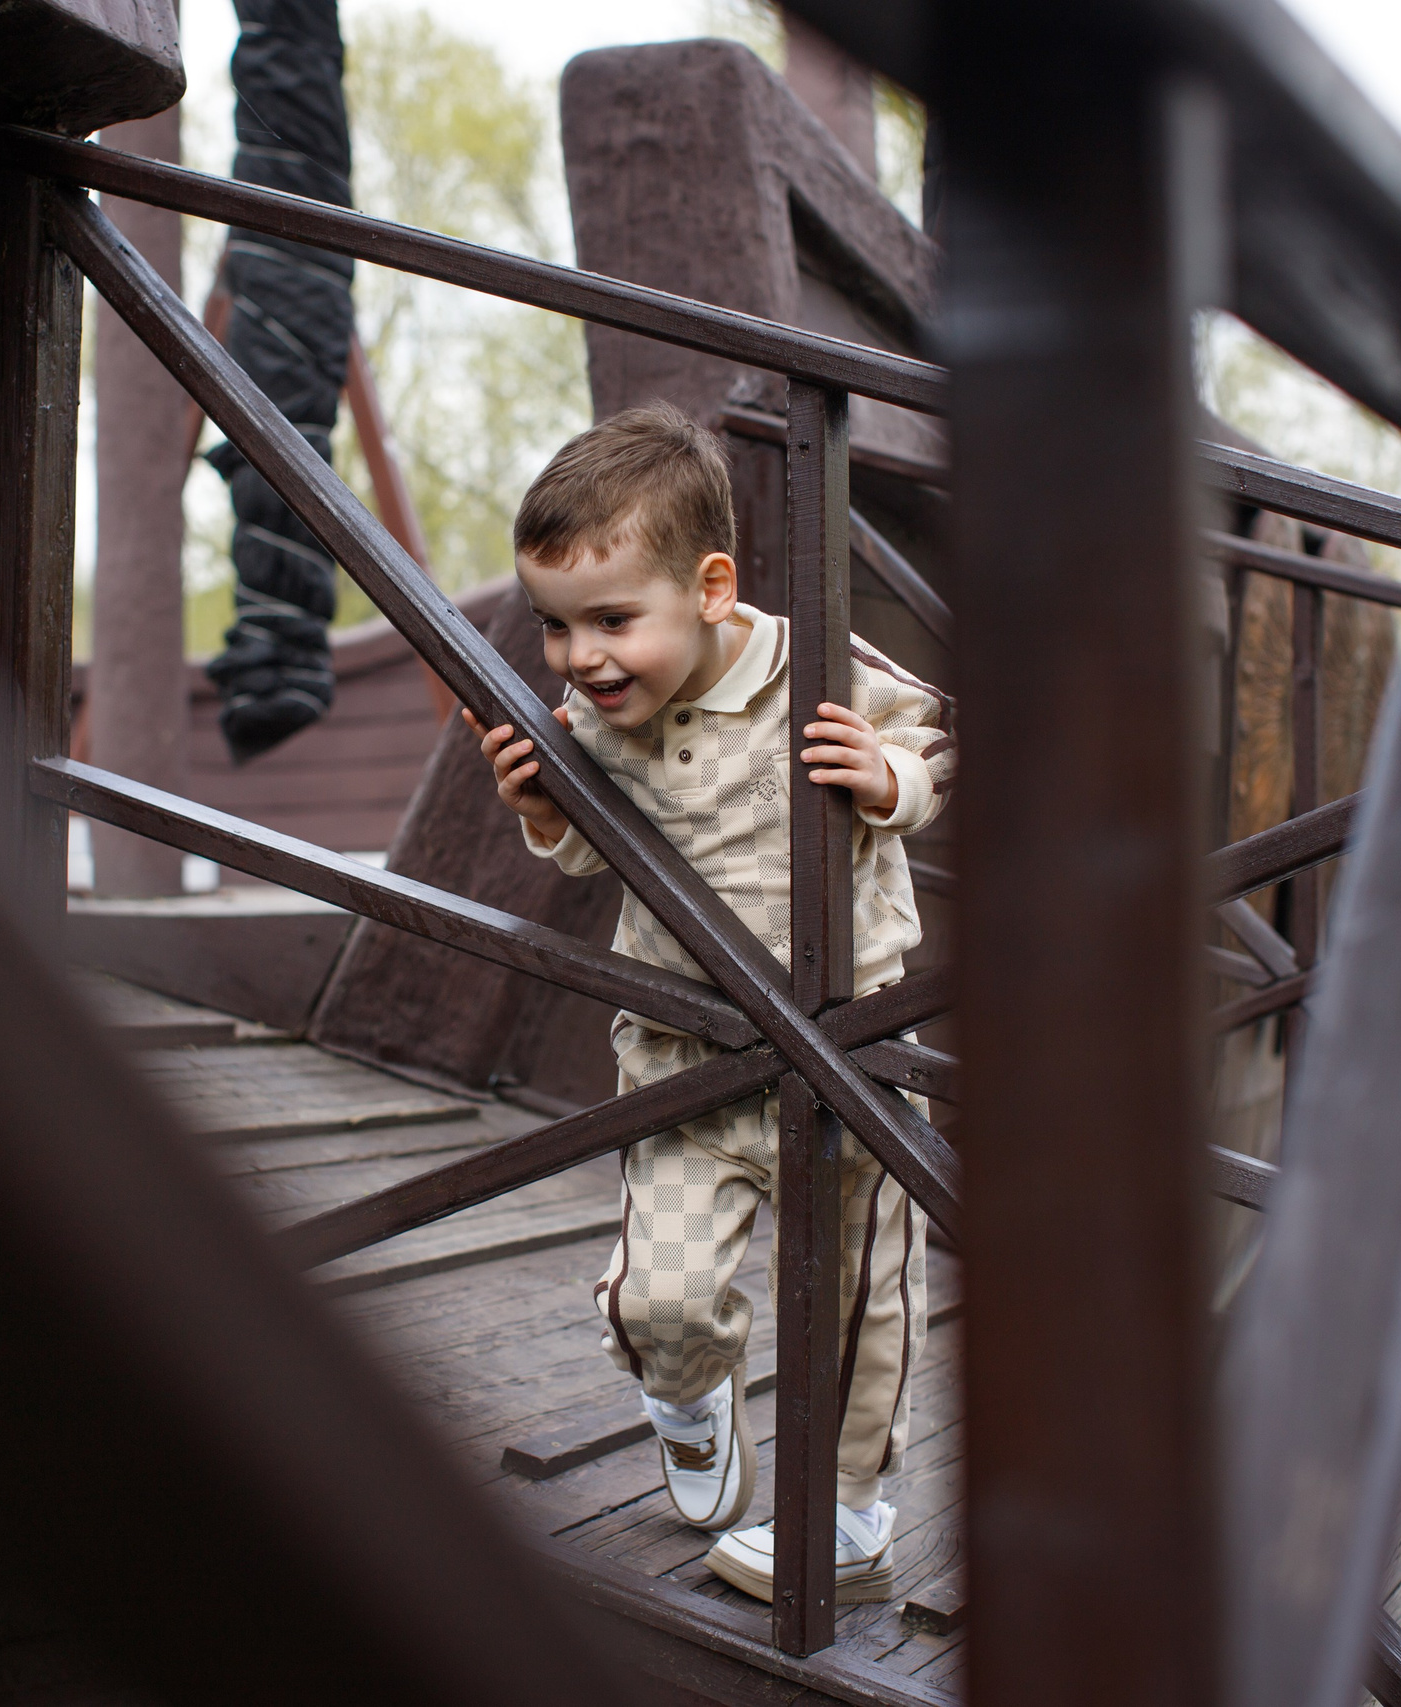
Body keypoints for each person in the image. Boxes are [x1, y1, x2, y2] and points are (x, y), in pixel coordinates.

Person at [463, 402, 953, 1605]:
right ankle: (686, 1392)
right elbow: (591, 851)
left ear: (713, 589)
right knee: (661, 1295)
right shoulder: (589, 722)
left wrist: (890, 777)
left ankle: (847, 1515)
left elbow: (936, 736)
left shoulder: (818, 666)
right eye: (554, 625)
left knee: (861, 1301)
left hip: (853, 1049)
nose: (581, 659)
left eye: (612, 621)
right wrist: (542, 807)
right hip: (689, 1055)